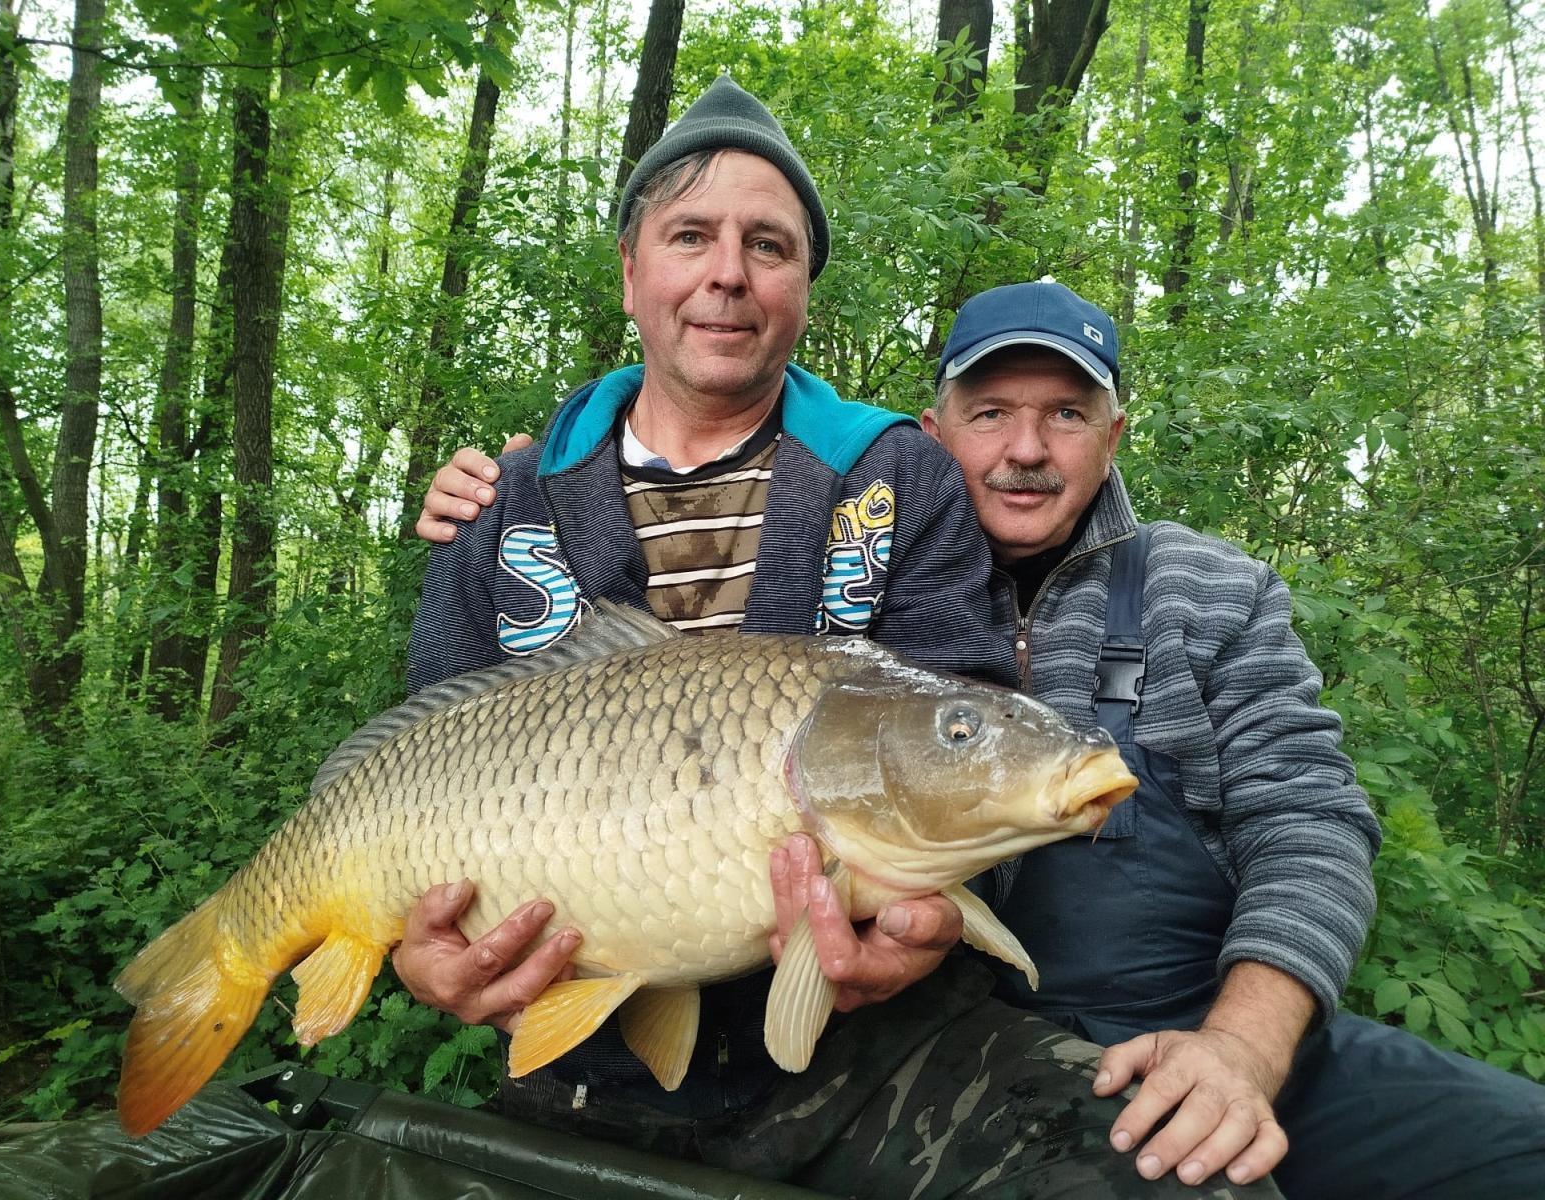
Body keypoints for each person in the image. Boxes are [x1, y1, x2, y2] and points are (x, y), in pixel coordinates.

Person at [420, 280, 1545, 1198]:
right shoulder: (837, 590)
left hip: (1207, 1024)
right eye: (990, 412)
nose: (1024, 449)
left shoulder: (1208, 589)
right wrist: (513, 490)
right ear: (928, 432)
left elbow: (1309, 822)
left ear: (1113, 433)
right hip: (961, 1058)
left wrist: (1244, 1046)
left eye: (1064, 414)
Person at [400, 76, 1249, 1198]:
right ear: (630, 271)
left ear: (803, 285)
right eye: (690, 236)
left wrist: (926, 925)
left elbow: (959, 736)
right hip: (585, 1066)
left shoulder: (899, 476)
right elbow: (425, 772)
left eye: (770, 244)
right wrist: (420, 955)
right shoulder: (503, 503)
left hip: (886, 1054)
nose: (727, 274)